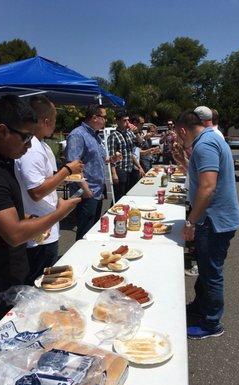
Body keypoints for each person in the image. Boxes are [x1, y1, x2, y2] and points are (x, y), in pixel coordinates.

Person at [0, 95, 81, 332]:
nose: (28, 144)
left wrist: (25, 220)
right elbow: (14, 234)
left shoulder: (1, 161)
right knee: (1, 350)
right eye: (26, 136)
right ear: (3, 131)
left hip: (10, 275)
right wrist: (59, 213)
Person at [175, 110, 239, 339]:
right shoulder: (209, 140)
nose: (180, 140)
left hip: (214, 221)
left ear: (183, 130)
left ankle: (211, 323)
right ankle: (199, 308)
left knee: (211, 271)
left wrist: (191, 221)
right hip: (216, 219)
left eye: (179, 136)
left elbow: (207, 187)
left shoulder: (205, 145)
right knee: (205, 267)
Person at [15, 95, 83, 284]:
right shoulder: (32, 149)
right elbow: (36, 191)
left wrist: (58, 198)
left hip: (45, 228)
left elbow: (46, 182)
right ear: (46, 121)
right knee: (38, 284)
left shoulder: (40, 145)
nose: (55, 126)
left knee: (45, 281)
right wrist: (67, 170)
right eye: (54, 121)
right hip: (38, 233)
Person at [65, 105, 109, 241]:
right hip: (87, 191)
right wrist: (85, 189)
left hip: (97, 189)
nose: (106, 121)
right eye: (104, 117)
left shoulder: (94, 135)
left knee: (93, 229)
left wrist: (111, 159)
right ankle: (79, 259)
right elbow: (72, 166)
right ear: (95, 118)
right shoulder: (78, 135)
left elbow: (98, 159)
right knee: (84, 231)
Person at [108, 110, 145, 201]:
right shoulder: (113, 136)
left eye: (128, 120)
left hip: (130, 169)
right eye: (124, 120)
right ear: (117, 122)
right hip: (120, 169)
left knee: (129, 194)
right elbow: (111, 156)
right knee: (119, 196)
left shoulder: (129, 133)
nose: (127, 123)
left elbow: (139, 144)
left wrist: (136, 132)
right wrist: (114, 174)